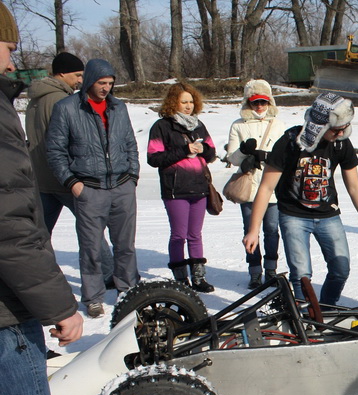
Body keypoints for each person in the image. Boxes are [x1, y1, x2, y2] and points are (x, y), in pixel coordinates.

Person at [0, 5, 99, 395]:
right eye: (7, 45)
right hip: (5, 310)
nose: (13, 55)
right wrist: (58, 305)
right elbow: (11, 225)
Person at [243, 92, 358, 306]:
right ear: (321, 125)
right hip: (293, 216)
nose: (341, 133)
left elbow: (354, 186)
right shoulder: (290, 142)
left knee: (340, 269)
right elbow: (266, 187)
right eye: (337, 129)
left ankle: (326, 309)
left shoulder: (341, 143)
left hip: (328, 215)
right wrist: (253, 230)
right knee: (301, 274)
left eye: (344, 128)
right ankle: (303, 317)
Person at [46, 57, 140, 318]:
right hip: (89, 188)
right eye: (101, 82)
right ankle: (93, 296)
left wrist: (132, 176)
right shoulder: (66, 108)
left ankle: (128, 289)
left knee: (125, 245)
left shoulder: (119, 108)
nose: (106, 88)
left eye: (110, 83)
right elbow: (55, 151)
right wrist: (72, 183)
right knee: (91, 248)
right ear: (89, 81)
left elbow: (130, 144)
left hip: (122, 186)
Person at [25, 51, 115, 287]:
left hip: (41, 177)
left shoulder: (35, 98)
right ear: (61, 73)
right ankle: (108, 274)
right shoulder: (59, 101)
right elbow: (69, 141)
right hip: (65, 178)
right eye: (76, 75)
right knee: (91, 228)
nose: (79, 81)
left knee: (40, 233)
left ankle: (41, 275)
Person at [147, 82, 217, 292]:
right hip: (175, 189)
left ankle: (198, 278)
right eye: (183, 102)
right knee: (179, 234)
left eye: (191, 102)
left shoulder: (199, 125)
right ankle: (180, 279)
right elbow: (154, 157)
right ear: (173, 103)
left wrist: (202, 148)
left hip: (199, 187)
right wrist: (184, 150)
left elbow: (212, 154)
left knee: (195, 234)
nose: (188, 106)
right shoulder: (162, 126)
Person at [226, 79, 287, 288]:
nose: (259, 107)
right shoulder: (238, 125)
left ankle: (271, 269)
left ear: (269, 102)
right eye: (255, 103)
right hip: (250, 186)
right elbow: (232, 158)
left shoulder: (278, 125)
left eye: (263, 102)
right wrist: (245, 151)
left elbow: (286, 154)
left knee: (271, 229)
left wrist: (267, 155)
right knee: (250, 229)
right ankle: (254, 270)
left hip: (272, 187)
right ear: (248, 103)